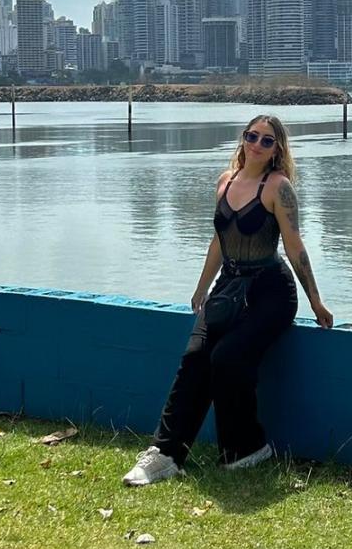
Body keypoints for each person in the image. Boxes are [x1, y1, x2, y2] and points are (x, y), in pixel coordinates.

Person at [123, 112, 334, 486]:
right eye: (252, 136)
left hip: (270, 292)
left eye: (267, 140)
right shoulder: (225, 181)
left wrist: (315, 302)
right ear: (243, 139)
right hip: (228, 288)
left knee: (227, 357)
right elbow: (218, 242)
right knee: (195, 358)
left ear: (277, 150)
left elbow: (294, 246)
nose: (257, 145)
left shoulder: (279, 187)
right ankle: (165, 455)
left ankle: (246, 450)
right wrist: (201, 287)